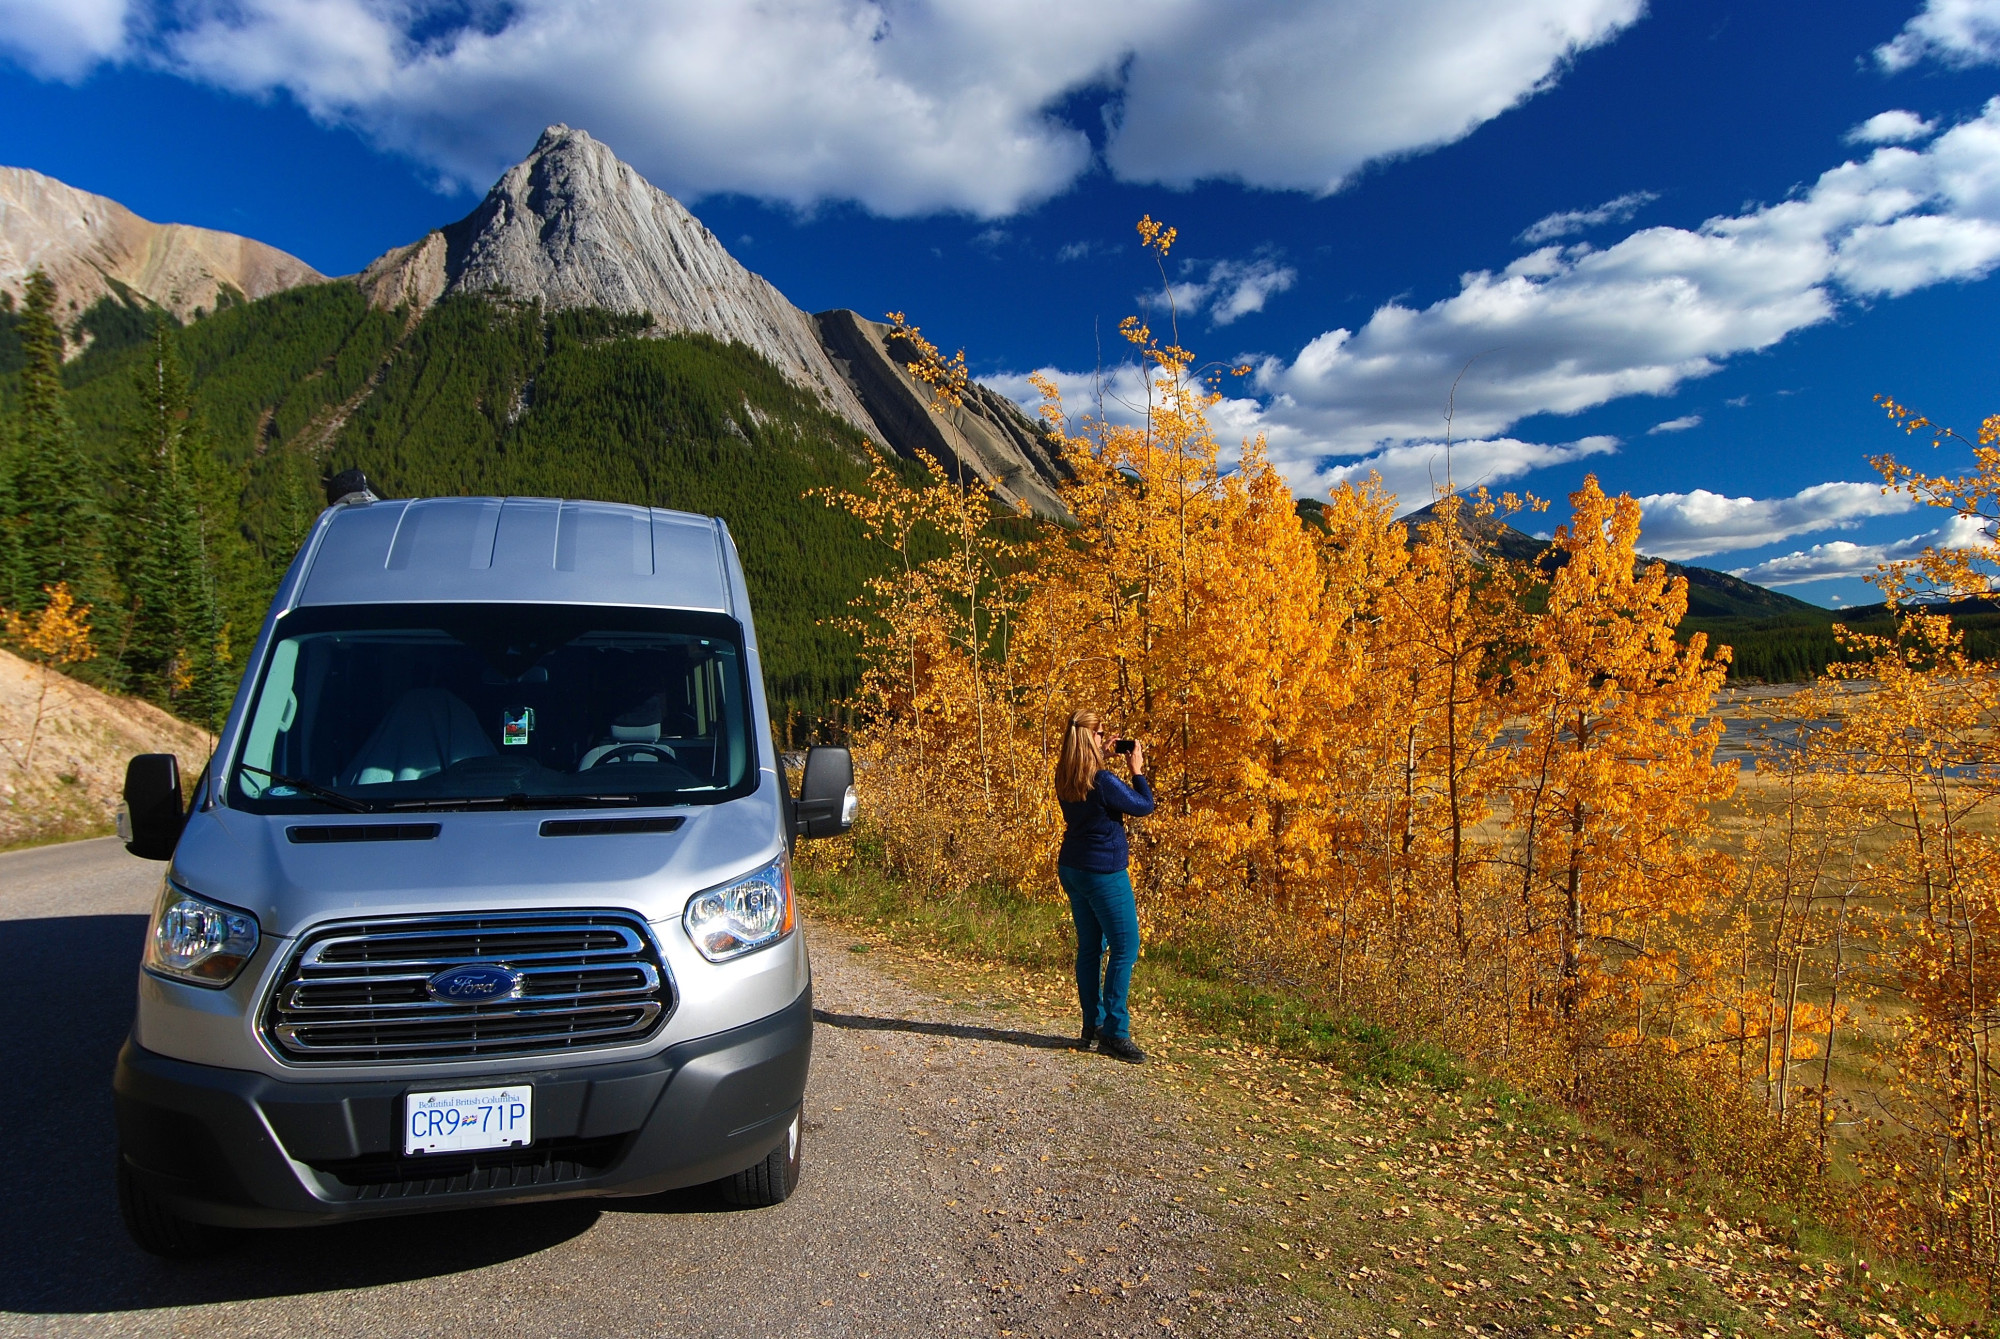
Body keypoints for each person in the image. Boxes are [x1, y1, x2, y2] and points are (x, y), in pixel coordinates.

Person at [1054, 710, 1155, 1063]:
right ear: (1091, 738)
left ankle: (1091, 1027)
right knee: (1126, 947)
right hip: (1103, 872)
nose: (1106, 736)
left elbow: (1093, 784)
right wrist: (1137, 770)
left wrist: (1104, 756)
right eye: (1101, 733)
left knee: (1090, 949)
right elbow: (1144, 806)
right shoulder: (1104, 781)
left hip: (1072, 868)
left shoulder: (1066, 776)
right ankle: (1115, 1032)